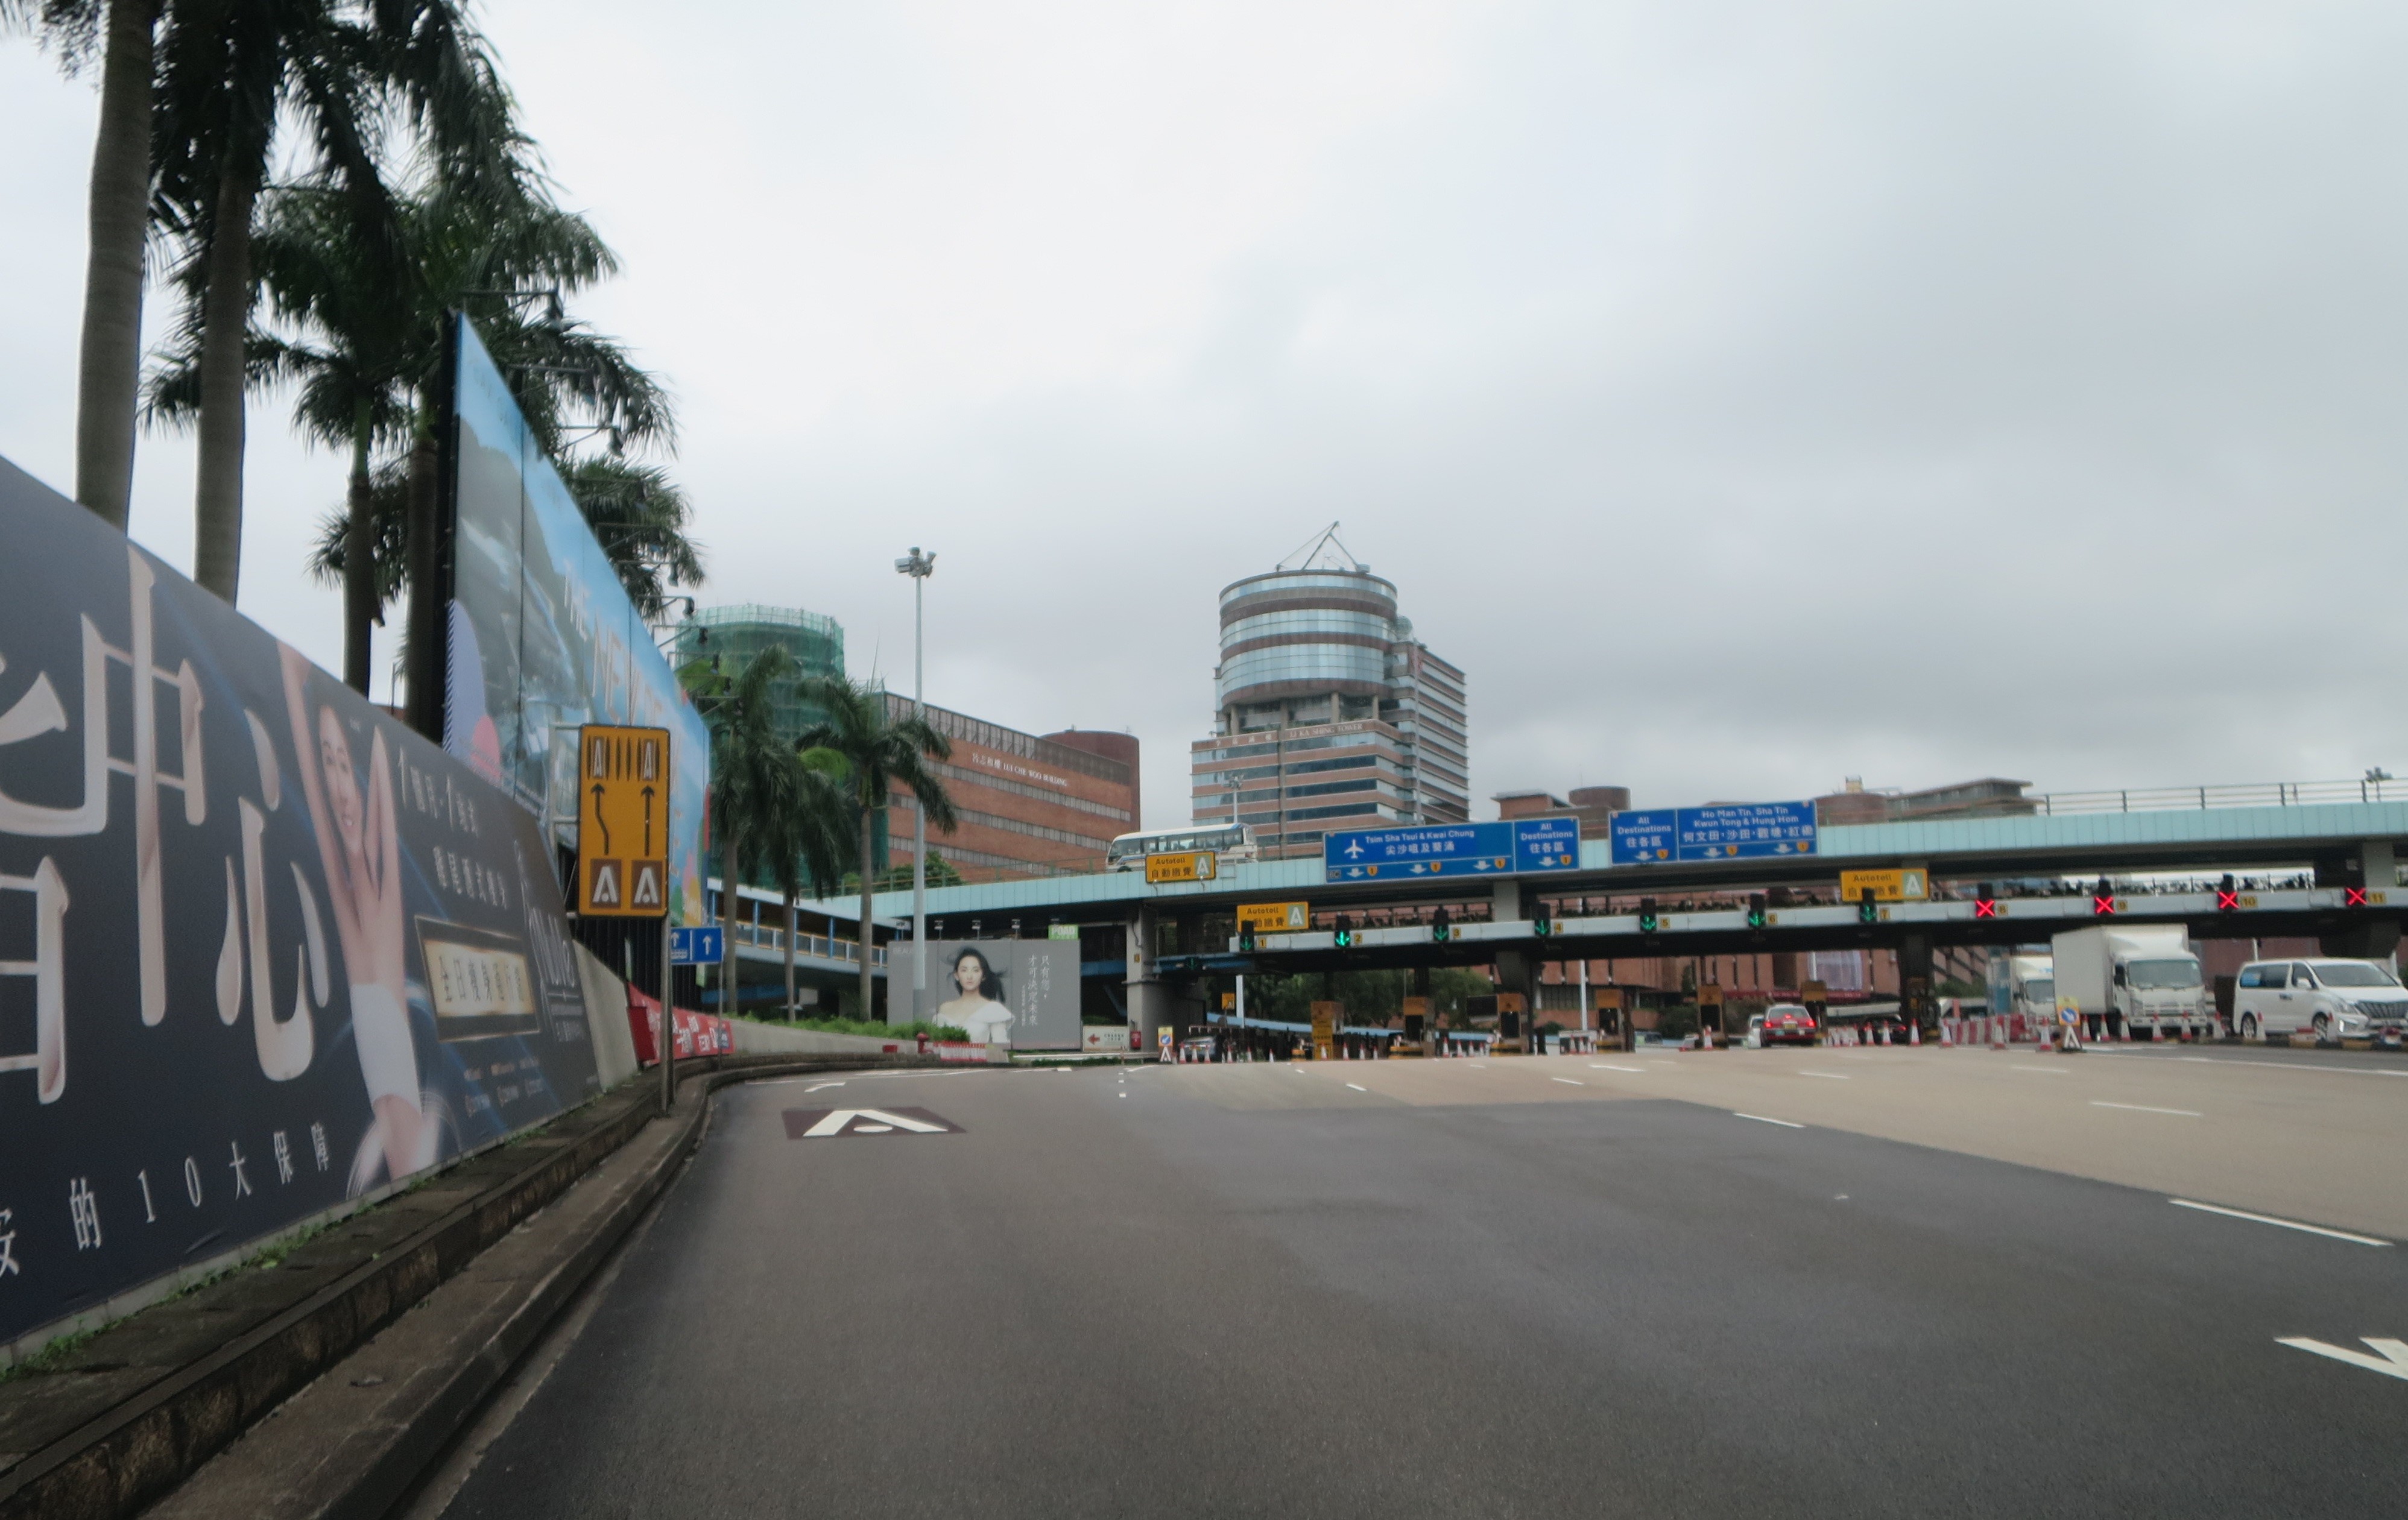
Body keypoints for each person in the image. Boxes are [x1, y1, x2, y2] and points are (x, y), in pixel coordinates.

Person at [282, 646, 432, 1187]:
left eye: (346, 765)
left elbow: (374, 819)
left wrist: (373, 749)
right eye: (330, 763)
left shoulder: (380, 905)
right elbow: (319, 797)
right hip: (402, 1160)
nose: (340, 786)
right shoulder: (351, 910)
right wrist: (291, 688)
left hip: (410, 1154)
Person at [936, 947, 1015, 1048]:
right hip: (947, 1063)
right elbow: (936, 1045)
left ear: (983, 976)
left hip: (978, 1063)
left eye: (976, 970)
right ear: (956, 975)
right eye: (964, 970)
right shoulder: (945, 1009)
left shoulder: (993, 1009)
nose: (970, 976)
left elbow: (1000, 1048)